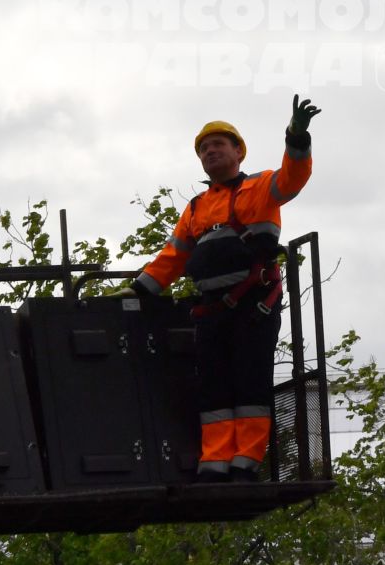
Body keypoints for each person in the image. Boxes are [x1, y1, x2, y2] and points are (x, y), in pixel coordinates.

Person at [127, 95, 320, 481]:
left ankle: (245, 459)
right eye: (203, 148)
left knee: (248, 380)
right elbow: (172, 257)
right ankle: (215, 459)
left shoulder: (262, 186)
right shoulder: (197, 207)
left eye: (217, 145)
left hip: (253, 303)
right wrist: (138, 291)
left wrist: (296, 139)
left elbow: (293, 178)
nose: (209, 151)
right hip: (211, 309)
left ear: (238, 152)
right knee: (213, 386)